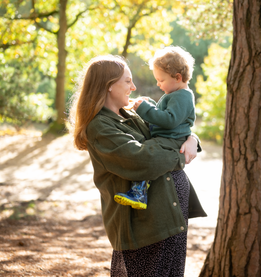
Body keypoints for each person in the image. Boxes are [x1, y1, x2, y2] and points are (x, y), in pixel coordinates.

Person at [69, 54, 206, 276]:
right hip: (146, 227)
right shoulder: (100, 127)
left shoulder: (130, 115)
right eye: (127, 81)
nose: (133, 87)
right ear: (109, 86)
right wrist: (181, 156)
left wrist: (193, 139)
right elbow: (143, 161)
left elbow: (172, 130)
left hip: (170, 216)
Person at [114, 46, 196, 211]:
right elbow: (165, 114)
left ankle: (139, 192)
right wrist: (150, 104)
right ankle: (140, 189)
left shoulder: (182, 96)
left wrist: (145, 109)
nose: (158, 84)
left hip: (171, 141)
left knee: (146, 155)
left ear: (178, 77)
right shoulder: (175, 94)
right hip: (167, 139)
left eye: (161, 80)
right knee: (147, 154)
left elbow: (170, 120)